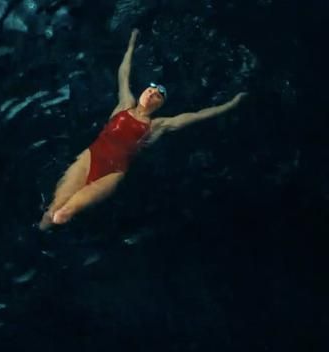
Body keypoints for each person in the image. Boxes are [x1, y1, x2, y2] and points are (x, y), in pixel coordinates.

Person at [39, 28, 247, 230]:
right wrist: (131, 42)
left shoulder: (158, 125)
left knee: (64, 214)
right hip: (90, 156)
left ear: (160, 105)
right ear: (142, 92)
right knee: (51, 212)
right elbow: (123, 72)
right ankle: (38, 242)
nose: (152, 93)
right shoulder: (124, 104)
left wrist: (231, 104)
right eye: (150, 89)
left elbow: (198, 116)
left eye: (157, 95)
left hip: (113, 173)